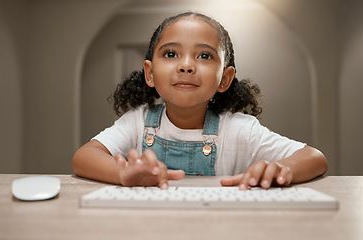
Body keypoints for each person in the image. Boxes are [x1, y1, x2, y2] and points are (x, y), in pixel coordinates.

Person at [72, 12, 328, 190]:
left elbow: (314, 157)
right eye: (171, 54)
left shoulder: (241, 130)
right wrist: (123, 174)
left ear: (225, 79)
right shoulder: (138, 122)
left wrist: (281, 169)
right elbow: (84, 157)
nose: (186, 66)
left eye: (204, 56)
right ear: (150, 73)